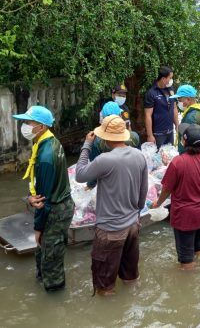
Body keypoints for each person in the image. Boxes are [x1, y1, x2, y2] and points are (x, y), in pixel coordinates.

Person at [75, 115, 148, 294]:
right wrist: (135, 215)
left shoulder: (104, 160)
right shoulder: (139, 156)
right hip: (132, 226)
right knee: (131, 277)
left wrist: (87, 145)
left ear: (106, 138)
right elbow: (142, 193)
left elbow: (80, 174)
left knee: (104, 287)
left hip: (110, 231)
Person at [13, 106, 74, 291]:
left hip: (55, 210)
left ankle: (55, 297)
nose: (24, 126)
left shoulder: (46, 155)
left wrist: (38, 228)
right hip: (58, 204)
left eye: (28, 122)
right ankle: (43, 281)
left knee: (51, 260)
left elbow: (43, 201)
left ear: (40, 126)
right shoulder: (47, 142)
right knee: (44, 254)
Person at [151, 124, 200, 270]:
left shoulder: (178, 162)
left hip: (186, 215)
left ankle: (190, 286)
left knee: (186, 259)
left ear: (185, 142)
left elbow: (167, 189)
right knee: (197, 246)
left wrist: (158, 203)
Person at [86, 102, 141, 190]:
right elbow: (139, 163)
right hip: (131, 181)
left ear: (103, 118)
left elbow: (93, 171)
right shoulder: (134, 137)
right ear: (120, 116)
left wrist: (90, 186)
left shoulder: (97, 142)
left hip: (109, 185)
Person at [169, 84, 200, 153]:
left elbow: (185, 140)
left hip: (190, 155)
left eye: (180, 99)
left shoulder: (190, 117)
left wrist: (181, 155)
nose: (178, 102)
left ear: (188, 99)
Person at [144, 66, 178, 148]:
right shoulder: (151, 93)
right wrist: (150, 135)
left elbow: (174, 107)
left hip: (170, 132)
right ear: (163, 79)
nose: (171, 80)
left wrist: (177, 125)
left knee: (169, 156)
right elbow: (147, 115)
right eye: (170, 78)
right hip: (158, 134)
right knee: (158, 158)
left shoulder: (170, 89)